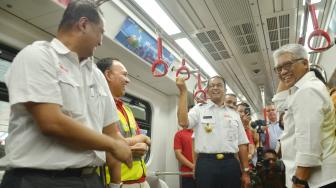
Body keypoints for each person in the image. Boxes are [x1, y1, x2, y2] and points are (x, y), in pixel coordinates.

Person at [0, 1, 132, 188]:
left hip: (90, 178)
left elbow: (111, 133)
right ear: (83, 24)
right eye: (100, 32)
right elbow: (51, 122)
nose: (101, 41)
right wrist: (112, 146)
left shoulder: (96, 76)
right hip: (39, 179)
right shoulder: (38, 56)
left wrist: (126, 147)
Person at [272, 43, 336, 188]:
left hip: (316, 180)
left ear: (305, 64)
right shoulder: (300, 90)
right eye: (278, 68)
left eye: (287, 65)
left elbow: (309, 145)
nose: (282, 72)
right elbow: (280, 105)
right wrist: (285, 75)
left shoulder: (307, 91)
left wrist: (298, 182)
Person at [176, 76, 250, 188]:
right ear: (207, 91)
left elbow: (242, 144)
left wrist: (245, 171)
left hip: (230, 163)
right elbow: (183, 122)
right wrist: (183, 92)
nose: (215, 88)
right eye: (212, 85)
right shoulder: (199, 110)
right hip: (206, 164)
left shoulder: (234, 114)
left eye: (219, 85)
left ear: (225, 90)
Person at [96, 58, 151, 188]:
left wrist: (144, 144)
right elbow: (103, 144)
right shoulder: (98, 103)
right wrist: (140, 139)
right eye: (124, 75)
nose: (128, 80)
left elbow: (145, 140)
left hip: (141, 180)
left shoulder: (127, 109)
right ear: (109, 75)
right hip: (117, 182)